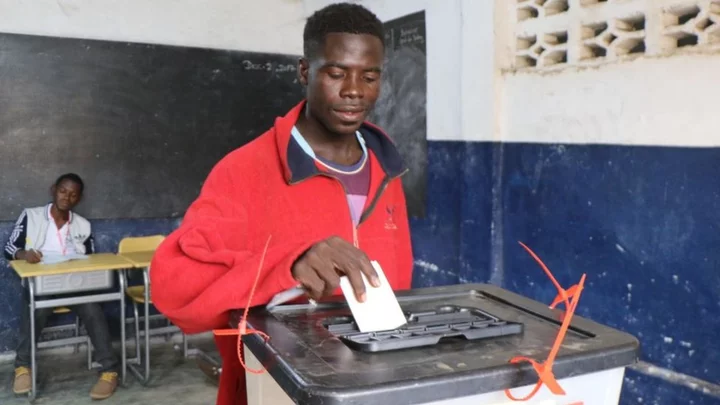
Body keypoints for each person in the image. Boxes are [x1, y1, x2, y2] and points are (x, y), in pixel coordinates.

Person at [150, 3, 414, 404]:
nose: (354, 91)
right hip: (272, 391)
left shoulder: (387, 170)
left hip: (376, 389)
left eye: (370, 76)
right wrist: (288, 265)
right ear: (305, 71)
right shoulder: (244, 169)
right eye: (337, 73)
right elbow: (174, 291)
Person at [3, 173, 119, 400]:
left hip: (74, 283)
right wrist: (23, 254)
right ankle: (22, 367)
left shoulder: (83, 225)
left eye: (73, 194)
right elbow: (9, 248)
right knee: (34, 308)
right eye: (63, 191)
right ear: (54, 190)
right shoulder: (31, 216)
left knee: (93, 310)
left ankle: (109, 371)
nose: (67, 197)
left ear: (79, 198)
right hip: (42, 282)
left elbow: (91, 256)